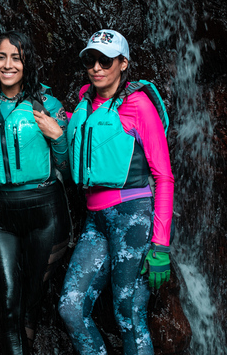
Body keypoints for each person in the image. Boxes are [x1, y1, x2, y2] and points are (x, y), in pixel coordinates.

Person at [58, 29, 174, 355]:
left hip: (133, 218)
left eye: (105, 60)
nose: (96, 67)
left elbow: (164, 177)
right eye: (91, 60)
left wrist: (161, 245)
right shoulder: (82, 107)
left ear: (123, 64)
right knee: (71, 308)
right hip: (96, 221)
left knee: (129, 317)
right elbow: (78, 142)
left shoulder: (138, 106)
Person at [0, 31, 70, 355]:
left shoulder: (49, 106)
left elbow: (69, 169)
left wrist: (58, 135)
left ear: (27, 62)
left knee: (32, 299)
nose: (8, 65)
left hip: (46, 213)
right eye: (1, 57)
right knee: (7, 300)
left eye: (16, 58)